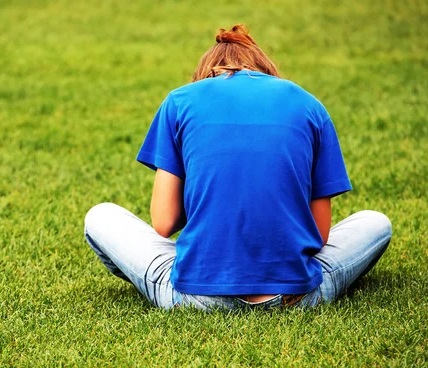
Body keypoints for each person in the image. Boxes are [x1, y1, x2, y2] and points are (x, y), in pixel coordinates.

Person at [84, 25, 392, 311]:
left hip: (196, 295)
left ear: (208, 72)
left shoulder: (179, 102)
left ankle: (204, 273)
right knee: (375, 223)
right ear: (265, 70)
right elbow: (320, 234)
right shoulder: (308, 104)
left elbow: (164, 223)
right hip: (298, 295)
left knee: (101, 217)